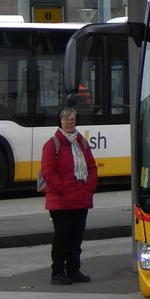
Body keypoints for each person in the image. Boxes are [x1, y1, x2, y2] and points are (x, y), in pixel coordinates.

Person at [40, 106, 99, 285]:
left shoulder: (81, 143)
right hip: (61, 201)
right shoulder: (53, 144)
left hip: (80, 199)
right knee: (62, 237)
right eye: (66, 119)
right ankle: (57, 272)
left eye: (72, 119)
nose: (69, 122)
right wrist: (62, 189)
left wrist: (89, 188)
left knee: (76, 238)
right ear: (60, 121)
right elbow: (48, 171)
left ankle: (74, 270)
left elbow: (92, 167)